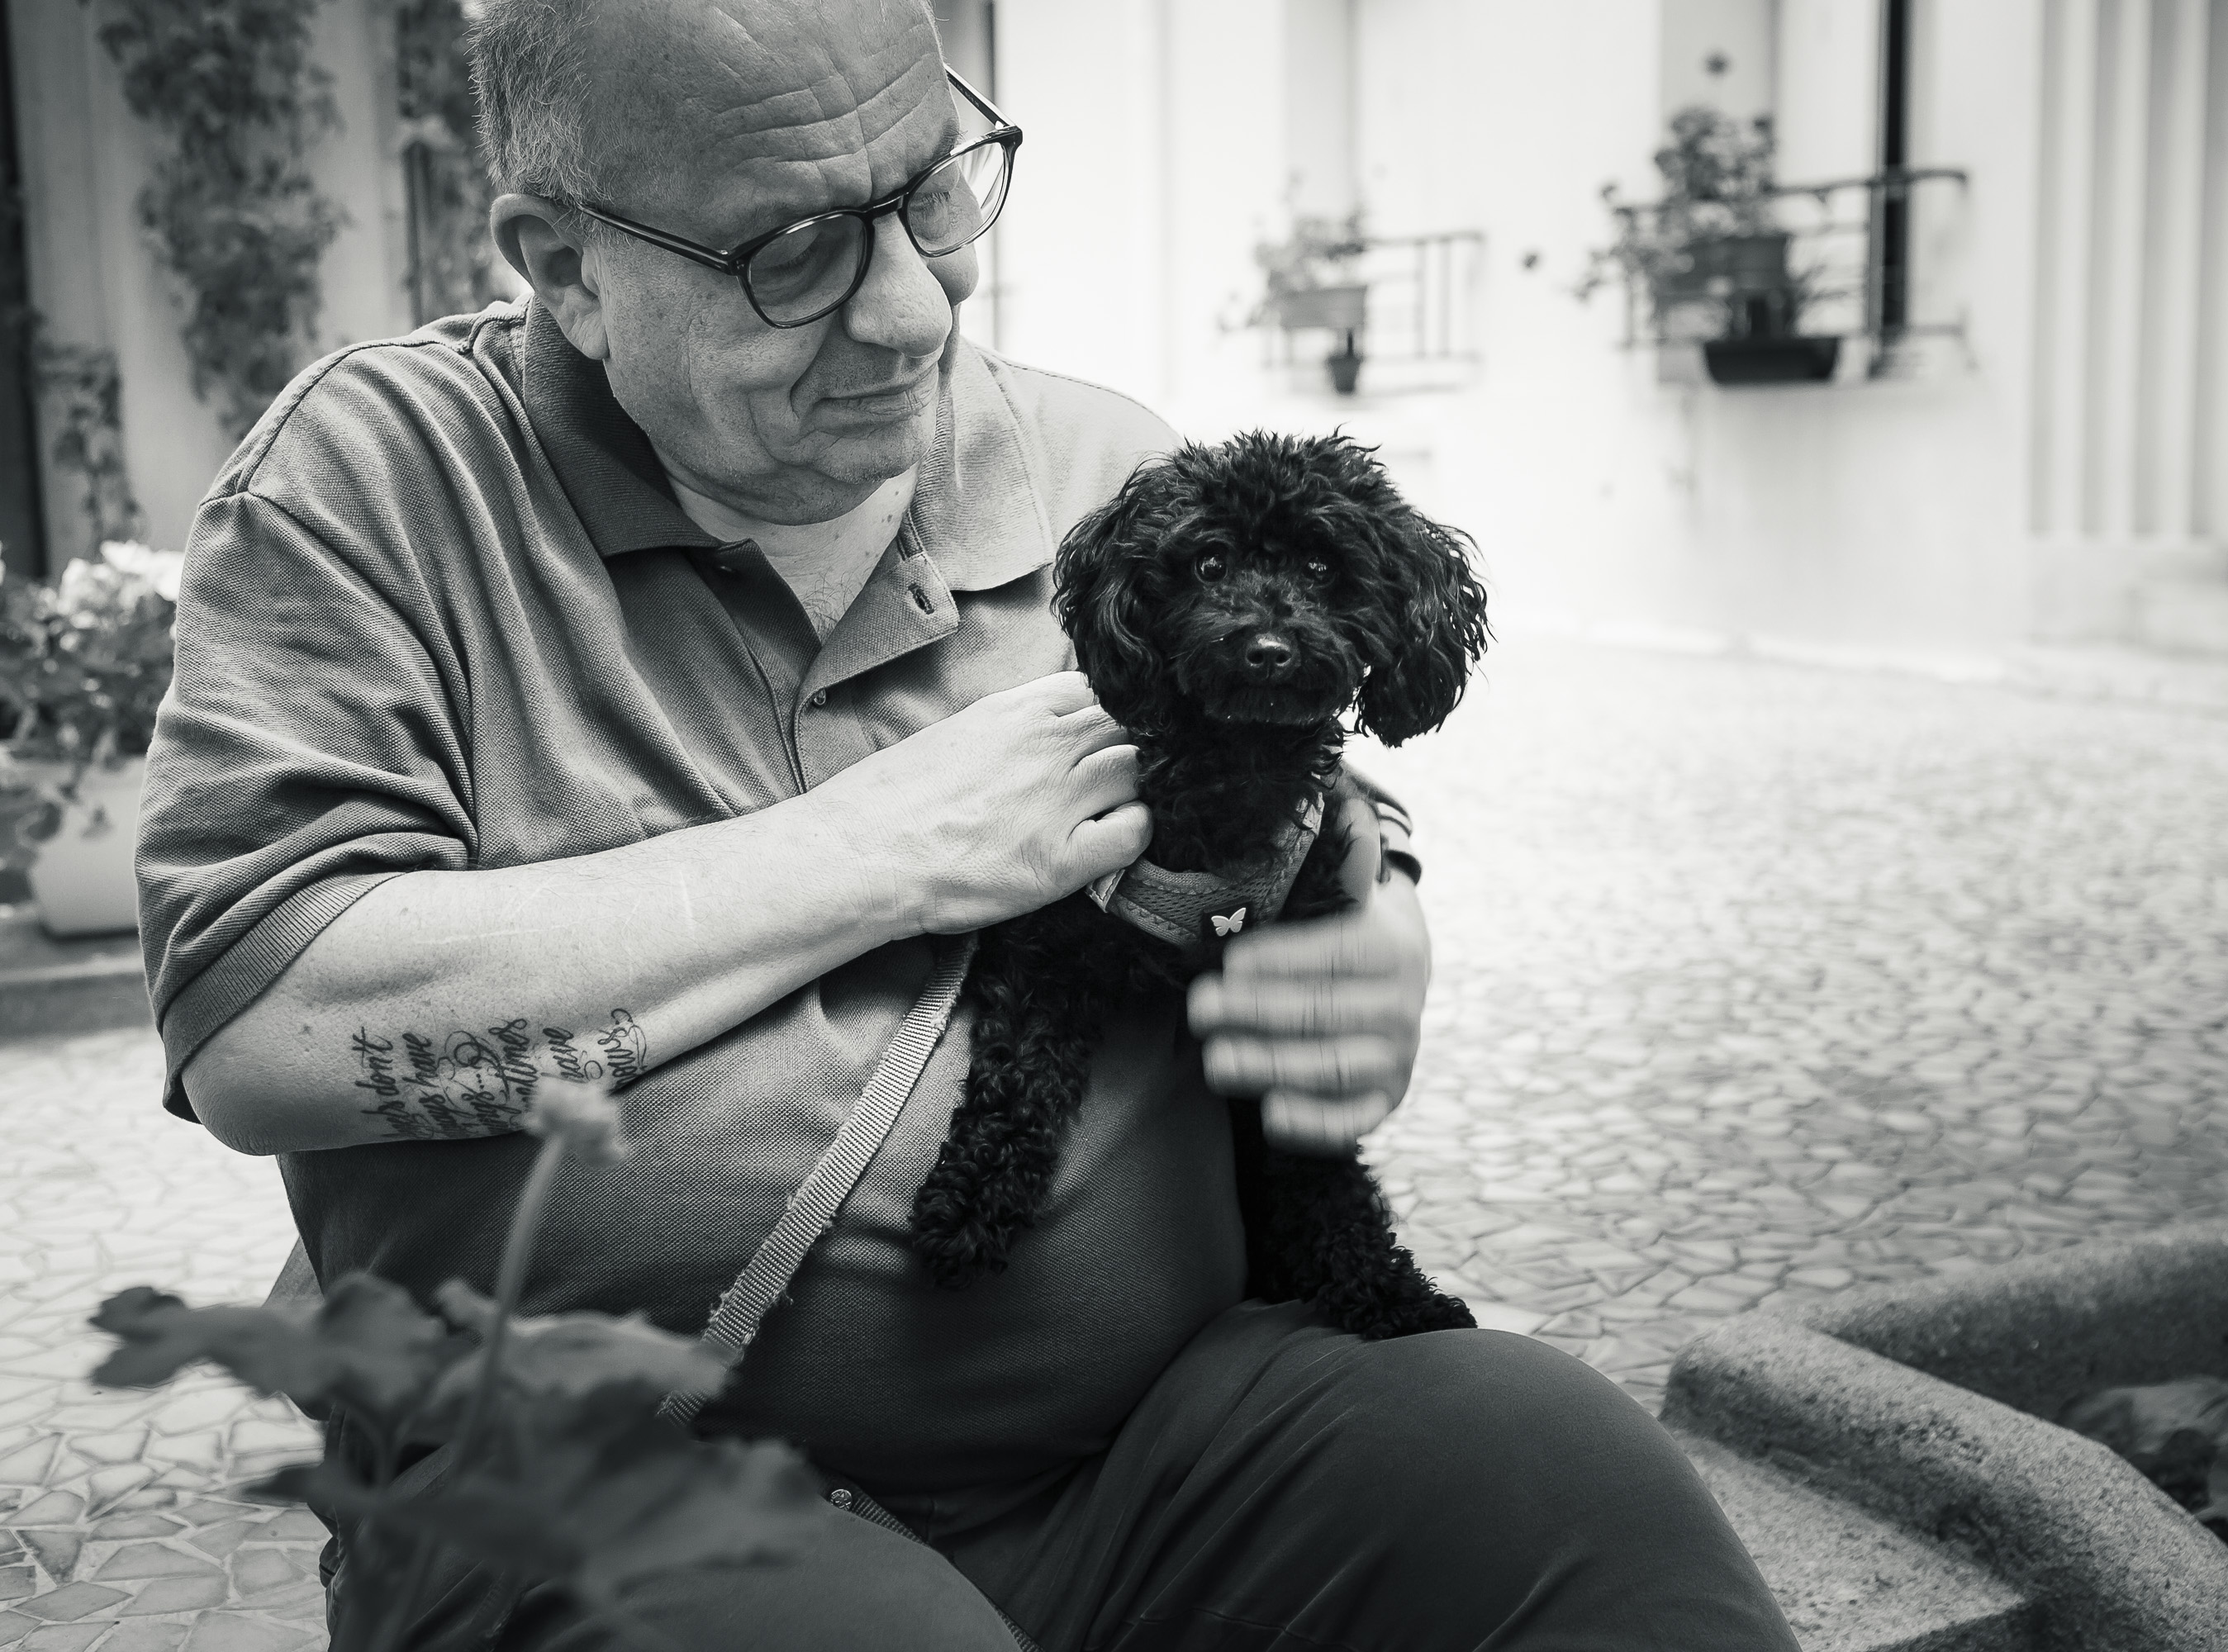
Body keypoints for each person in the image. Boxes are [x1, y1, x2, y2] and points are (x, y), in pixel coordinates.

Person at [137, 0, 1801, 1646]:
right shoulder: (374, 487)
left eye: (936, 193)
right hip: (588, 1491)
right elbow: (266, 1025)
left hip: (1167, 1449)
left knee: (1559, 1469)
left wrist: (1382, 925)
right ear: (564, 265)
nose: (911, 310)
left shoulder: (1104, 465)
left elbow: (1316, 774)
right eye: (795, 250)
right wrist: (877, 847)